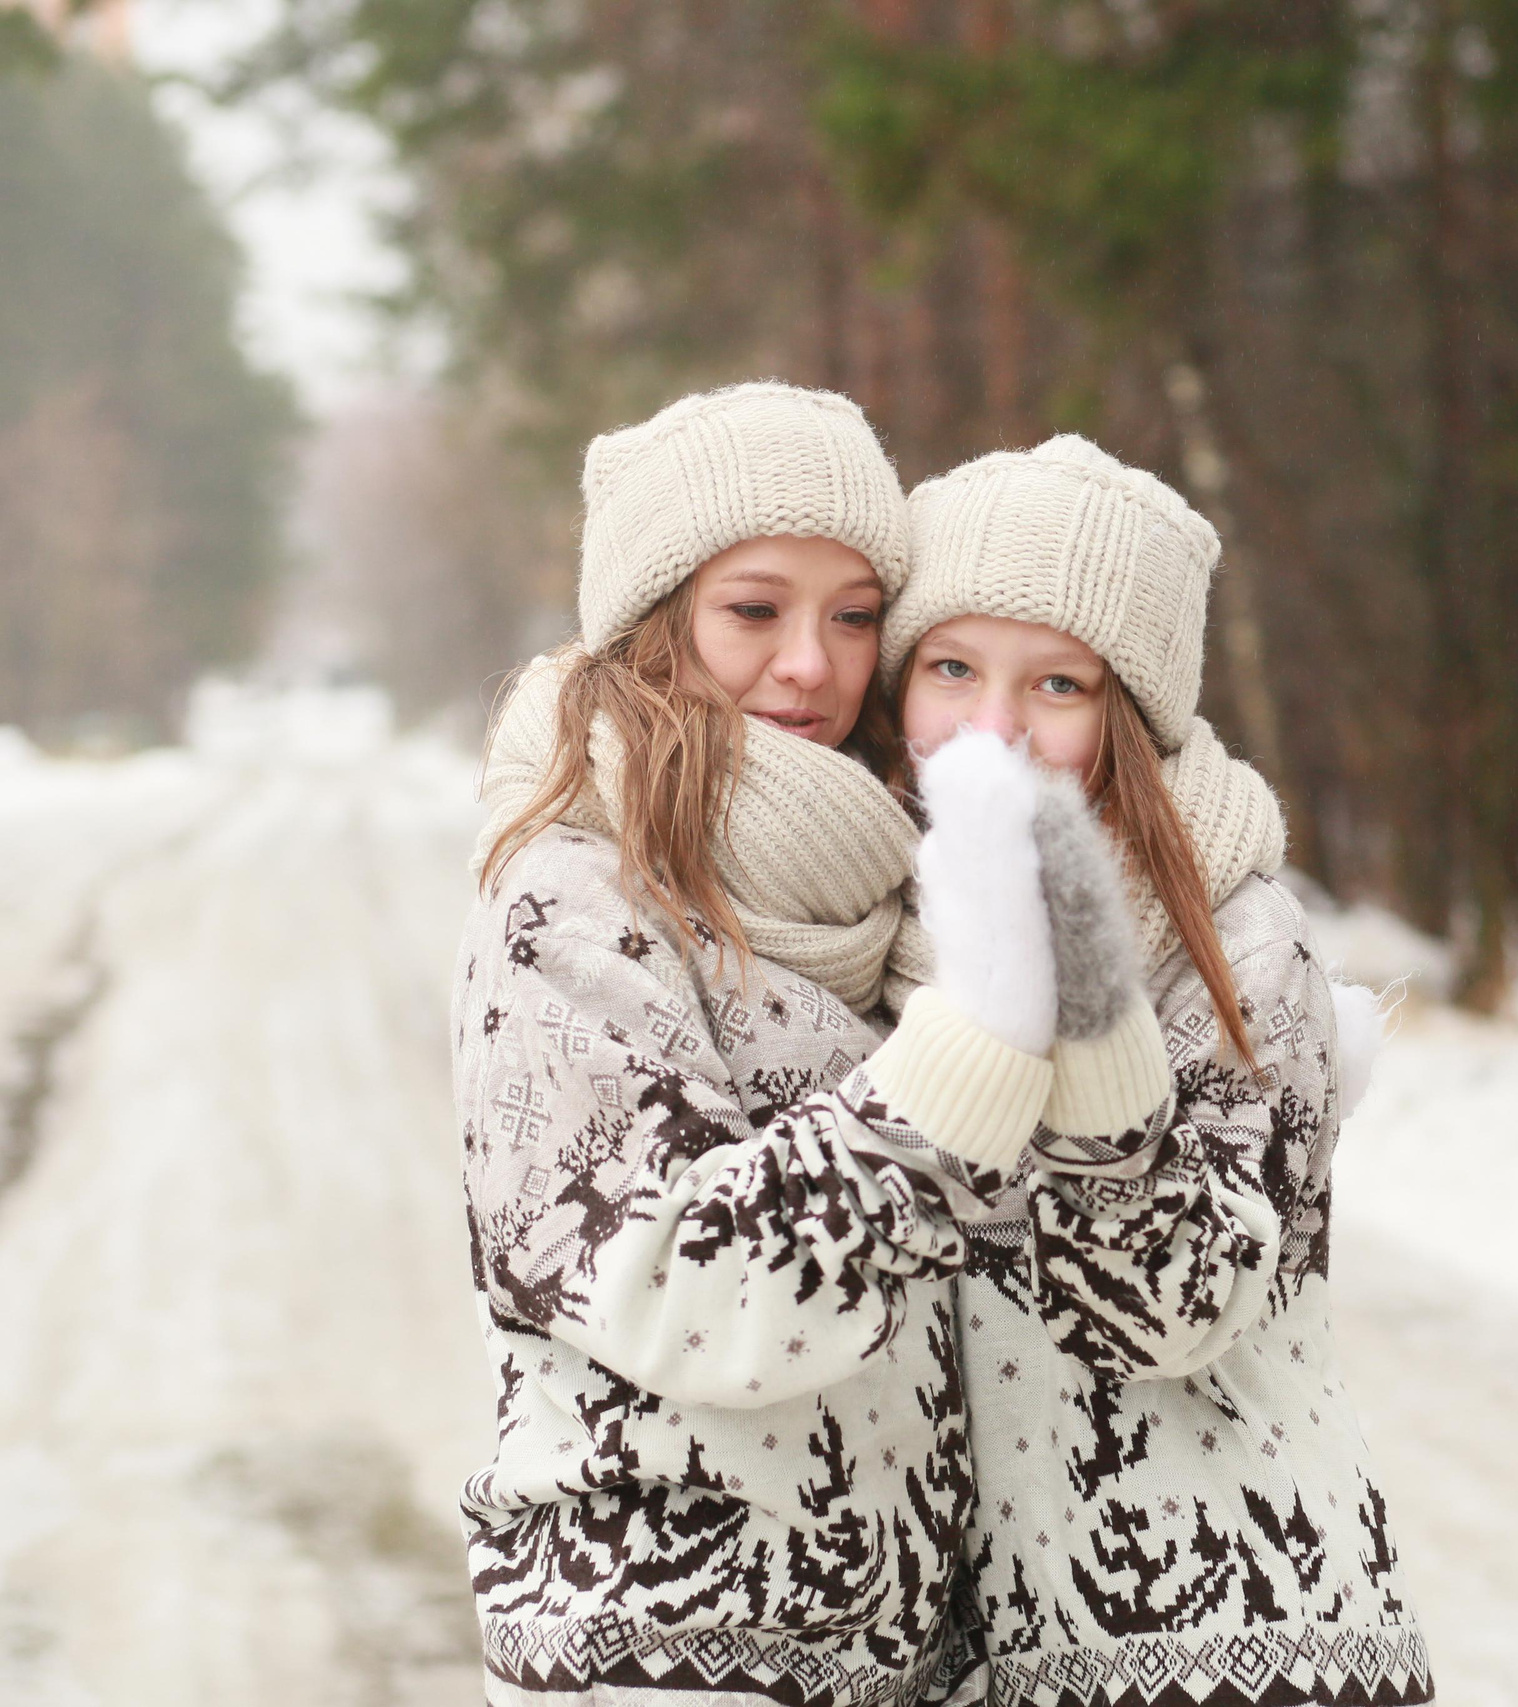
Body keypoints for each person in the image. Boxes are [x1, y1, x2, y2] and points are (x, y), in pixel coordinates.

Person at [453, 384, 1157, 1706]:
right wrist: (940, 1089)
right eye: (754, 609)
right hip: (663, 1642)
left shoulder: (882, 879)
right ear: (654, 621)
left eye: (853, 616)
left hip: (888, 1651)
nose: (810, 665)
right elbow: (669, 1288)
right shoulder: (571, 889)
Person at [883, 434, 1433, 1706]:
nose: (993, 728)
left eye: (1058, 684)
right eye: (951, 667)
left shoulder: (1238, 942)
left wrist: (1076, 1005)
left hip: (1225, 1644)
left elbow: (1174, 1307)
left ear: (1127, 714)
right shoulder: (867, 923)